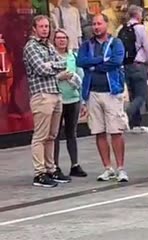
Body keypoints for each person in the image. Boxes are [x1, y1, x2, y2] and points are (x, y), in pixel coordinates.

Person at [77, 14, 129, 182]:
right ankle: (107, 168)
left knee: (116, 130)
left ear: (106, 24)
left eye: (99, 23)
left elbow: (116, 61)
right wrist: (99, 60)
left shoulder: (116, 43)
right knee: (98, 131)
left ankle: (121, 168)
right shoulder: (87, 44)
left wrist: (93, 66)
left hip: (111, 92)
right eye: (94, 24)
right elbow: (81, 61)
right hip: (92, 92)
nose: (96, 27)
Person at [23, 15, 72, 188]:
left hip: (55, 92)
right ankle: (39, 173)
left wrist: (53, 64)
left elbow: (63, 62)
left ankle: (51, 168)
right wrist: (54, 65)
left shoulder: (49, 46)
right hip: (42, 94)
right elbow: (41, 68)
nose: (45, 29)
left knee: (52, 135)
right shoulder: (31, 47)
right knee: (40, 136)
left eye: (47, 26)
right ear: (34, 28)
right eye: (42, 26)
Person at [52, 28, 88, 178]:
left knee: (71, 133)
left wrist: (83, 100)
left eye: (64, 38)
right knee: (55, 134)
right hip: (57, 99)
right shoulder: (51, 57)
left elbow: (81, 78)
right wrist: (59, 77)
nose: (61, 40)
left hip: (73, 99)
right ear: (54, 41)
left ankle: (75, 164)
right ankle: (54, 166)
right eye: (58, 38)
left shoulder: (73, 56)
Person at [119, 5, 148, 133]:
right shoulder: (140, 28)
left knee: (133, 95)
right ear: (138, 15)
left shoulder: (122, 28)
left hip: (126, 65)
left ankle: (135, 124)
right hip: (139, 65)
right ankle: (126, 114)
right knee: (142, 95)